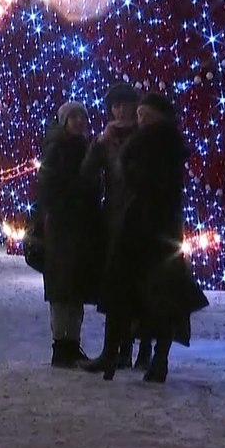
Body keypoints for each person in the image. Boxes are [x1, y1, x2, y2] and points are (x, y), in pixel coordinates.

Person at [87, 93, 207, 382]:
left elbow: (149, 185)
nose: (140, 120)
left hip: (151, 230)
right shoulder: (147, 144)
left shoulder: (160, 147)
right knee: (136, 292)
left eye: (146, 115)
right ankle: (125, 355)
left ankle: (141, 357)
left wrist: (125, 163)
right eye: (139, 115)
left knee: (153, 295)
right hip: (144, 228)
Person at [79, 81, 147, 369]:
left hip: (143, 219)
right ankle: (118, 350)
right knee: (116, 286)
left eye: (124, 104)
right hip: (115, 220)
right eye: (114, 106)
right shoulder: (106, 139)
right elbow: (87, 174)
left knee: (143, 286)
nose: (119, 111)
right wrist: (98, 146)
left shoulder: (145, 137)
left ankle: (143, 350)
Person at [37, 101, 103, 368]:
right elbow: (51, 188)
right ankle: (62, 345)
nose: (78, 121)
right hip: (64, 227)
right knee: (63, 289)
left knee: (73, 288)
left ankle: (71, 344)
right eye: (73, 117)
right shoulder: (59, 149)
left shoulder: (84, 147)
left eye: (81, 117)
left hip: (79, 227)